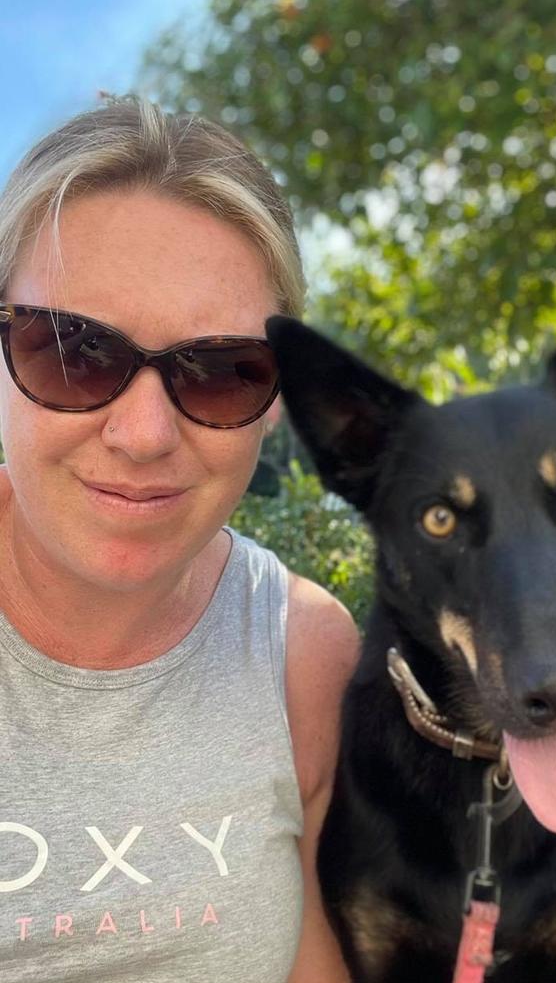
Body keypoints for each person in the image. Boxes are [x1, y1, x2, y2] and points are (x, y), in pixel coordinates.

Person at [0, 97, 358, 982]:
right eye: (74, 352)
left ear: (275, 403)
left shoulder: (304, 651)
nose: (145, 434)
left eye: (222, 373)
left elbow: (312, 945)